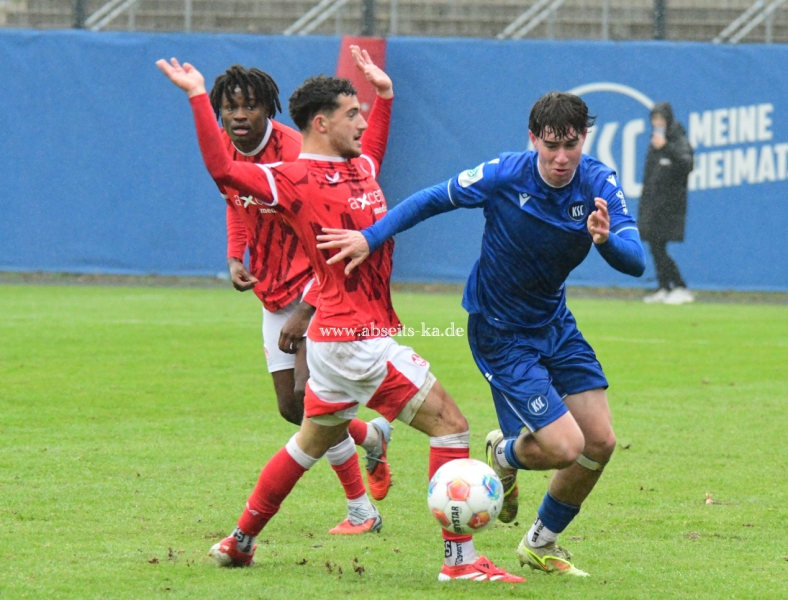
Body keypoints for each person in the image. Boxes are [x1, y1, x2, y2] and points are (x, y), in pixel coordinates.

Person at [156, 49, 524, 582]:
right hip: (356, 339)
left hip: (335, 338)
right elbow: (223, 170)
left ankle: (240, 541)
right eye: (353, 113)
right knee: (451, 426)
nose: (362, 121)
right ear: (321, 123)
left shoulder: (362, 166)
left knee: (307, 441)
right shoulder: (293, 179)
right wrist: (195, 96)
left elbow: (377, 140)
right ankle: (459, 563)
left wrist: (386, 95)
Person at [317, 92, 646, 577]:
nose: (560, 158)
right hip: (501, 332)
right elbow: (431, 199)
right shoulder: (505, 174)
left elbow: (636, 261)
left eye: (570, 146)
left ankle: (540, 542)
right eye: (550, 145)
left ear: (584, 140)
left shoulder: (598, 183)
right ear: (532, 139)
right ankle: (506, 453)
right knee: (563, 448)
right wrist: (371, 236)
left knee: (600, 442)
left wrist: (606, 241)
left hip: (555, 323)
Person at [208, 63, 394, 532]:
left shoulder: (297, 152)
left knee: (315, 402)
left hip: (317, 289)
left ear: (269, 107)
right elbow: (235, 203)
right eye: (231, 107)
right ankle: (372, 436)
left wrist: (307, 308)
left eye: (250, 104)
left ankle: (360, 509)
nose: (240, 114)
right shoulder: (228, 154)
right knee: (293, 408)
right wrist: (235, 256)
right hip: (272, 292)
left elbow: (333, 231)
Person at [638, 102, 694, 305]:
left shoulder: (677, 139)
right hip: (653, 204)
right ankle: (663, 287)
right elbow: (650, 176)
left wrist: (666, 147)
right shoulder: (654, 142)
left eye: (661, 119)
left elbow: (687, 164)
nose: (657, 123)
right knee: (654, 245)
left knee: (659, 246)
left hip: (670, 206)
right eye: (654, 119)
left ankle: (681, 287)